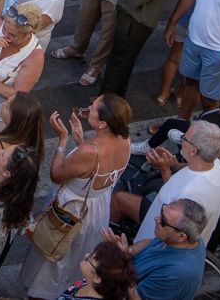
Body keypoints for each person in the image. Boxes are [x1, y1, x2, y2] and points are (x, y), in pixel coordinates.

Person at [16, 94, 132, 298]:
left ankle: (42, 293)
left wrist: (63, 140)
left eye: (93, 107)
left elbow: (56, 175)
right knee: (79, 254)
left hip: (73, 210)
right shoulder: (125, 140)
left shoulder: (89, 152)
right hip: (97, 208)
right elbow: (95, 171)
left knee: (56, 255)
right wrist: (81, 140)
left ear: (103, 123)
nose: (89, 106)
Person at [100, 199, 209, 300]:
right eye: (162, 211)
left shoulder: (175, 273)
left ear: (181, 236)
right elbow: (149, 242)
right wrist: (129, 251)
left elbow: (135, 297)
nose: (156, 218)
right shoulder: (189, 239)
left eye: (163, 221)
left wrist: (121, 262)